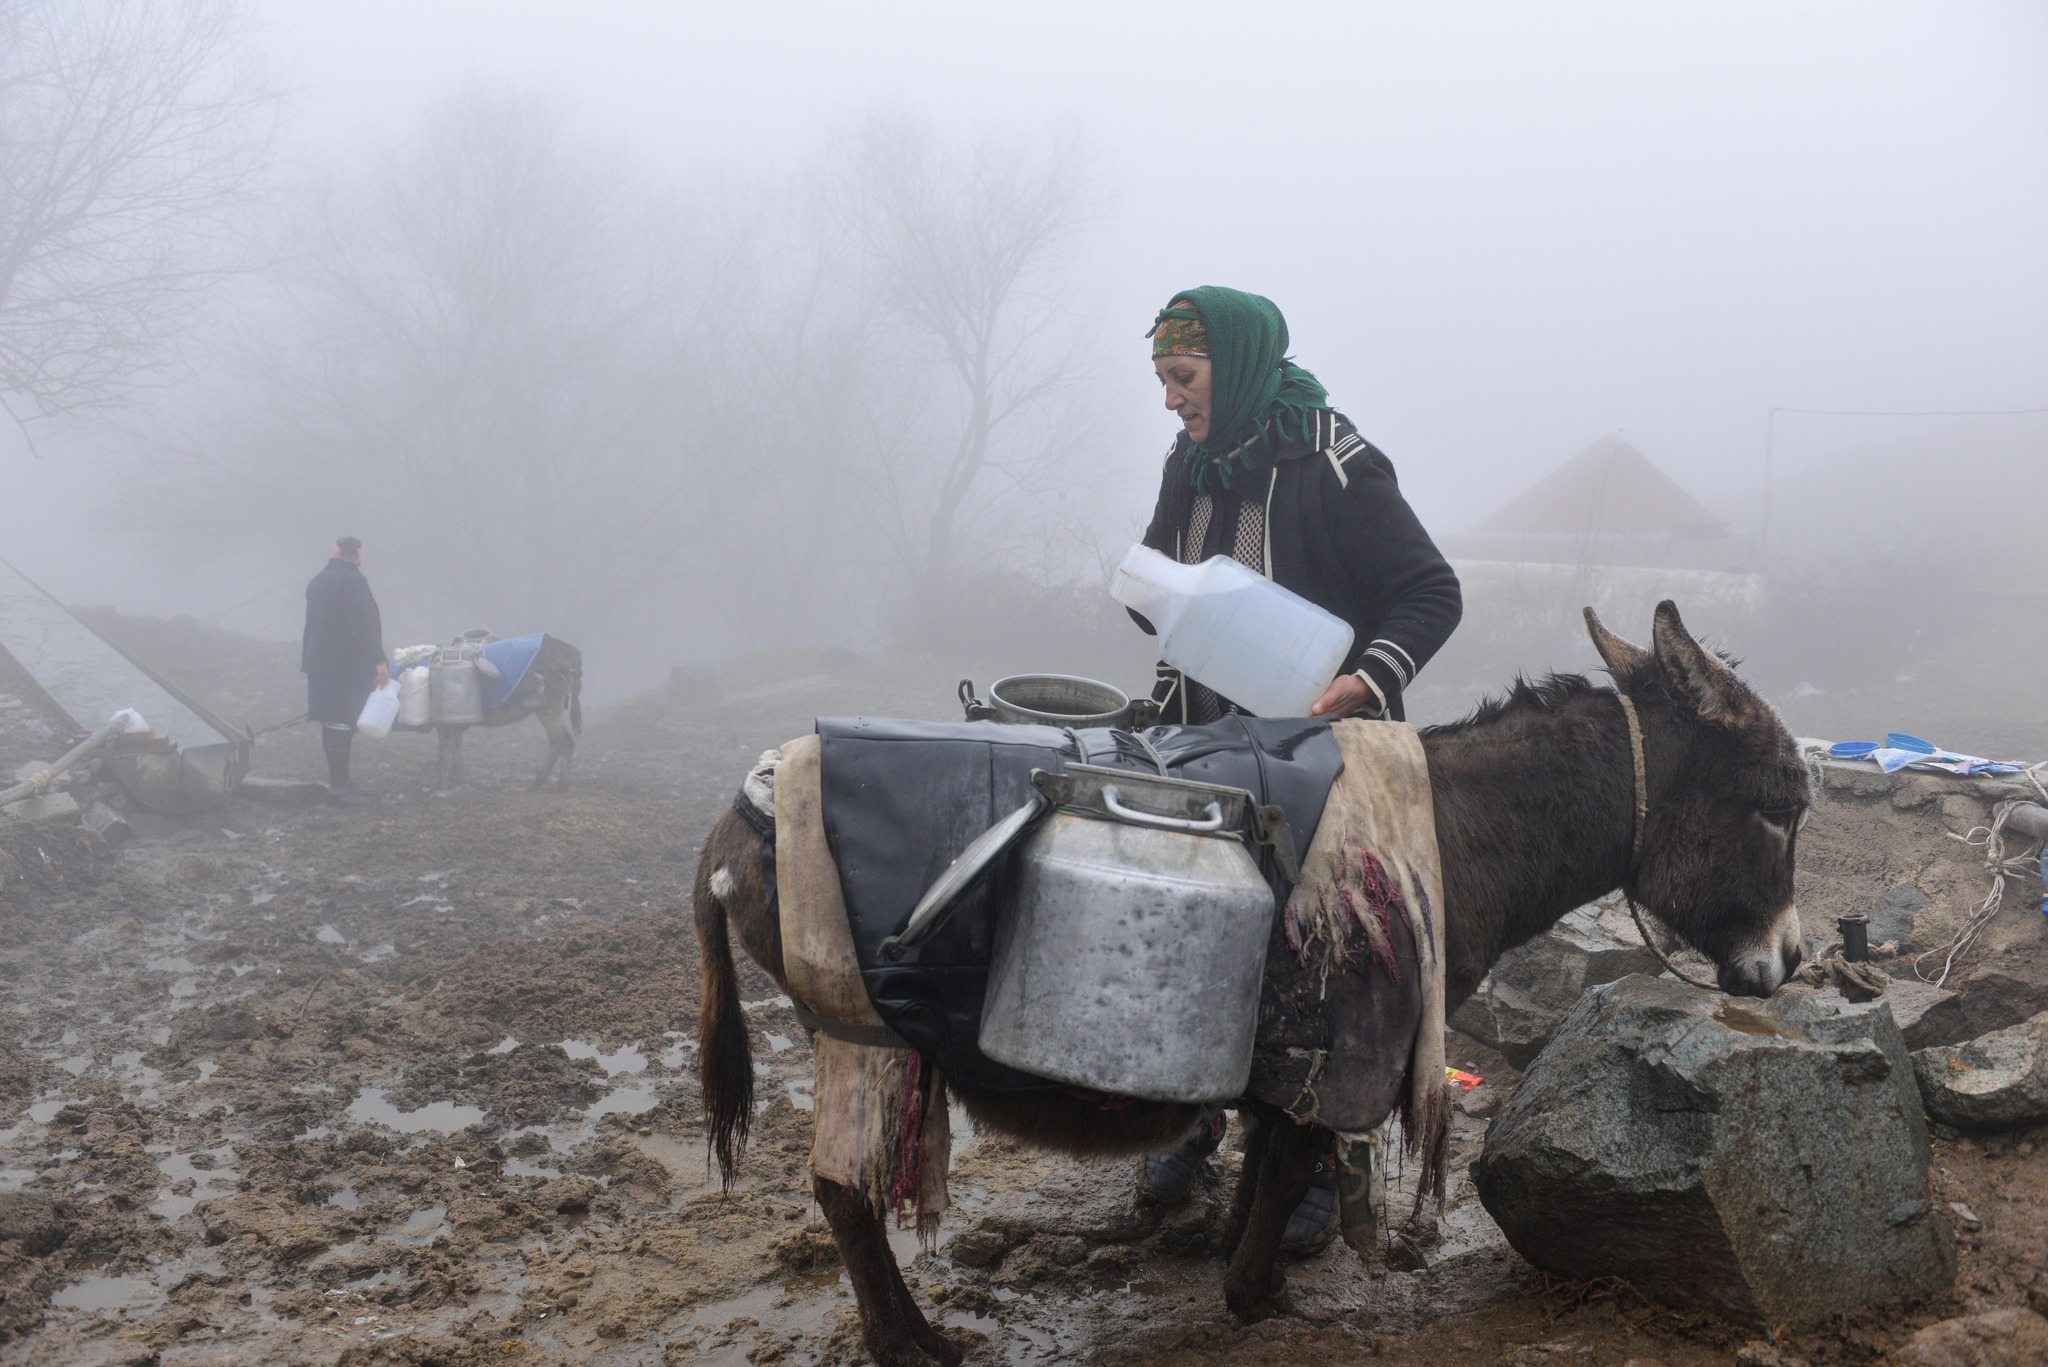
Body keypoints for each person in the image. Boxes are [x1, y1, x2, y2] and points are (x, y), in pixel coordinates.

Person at [1132, 287, 1463, 1249]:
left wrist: (1371, 675)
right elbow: (1163, 578)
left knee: (1309, 961)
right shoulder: (1189, 466)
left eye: (1183, 379)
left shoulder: (1333, 462)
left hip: (1316, 756)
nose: (1170, 401)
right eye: (1160, 380)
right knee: (1196, 933)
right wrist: (1152, 594)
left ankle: (1313, 1162)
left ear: (1231, 368)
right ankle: (1189, 1119)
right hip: (1206, 745)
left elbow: (1429, 591)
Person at [302, 536, 388, 806]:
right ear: (355, 555)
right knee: (341, 724)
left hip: (320, 663)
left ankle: (342, 782)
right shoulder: (351, 581)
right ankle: (339, 790)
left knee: (332, 723)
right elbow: (360, 624)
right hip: (343, 665)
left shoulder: (318, 580)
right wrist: (378, 659)